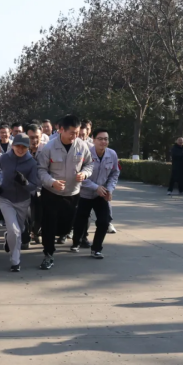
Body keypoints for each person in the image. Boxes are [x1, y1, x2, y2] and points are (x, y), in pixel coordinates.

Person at [37, 115, 94, 270]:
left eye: (77, 133)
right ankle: (48, 254)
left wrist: (84, 174)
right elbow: (41, 170)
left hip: (72, 194)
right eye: (72, 133)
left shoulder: (82, 146)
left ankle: (62, 234)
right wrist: (52, 182)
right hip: (51, 193)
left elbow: (89, 164)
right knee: (49, 225)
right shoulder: (49, 147)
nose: (75, 136)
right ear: (61, 129)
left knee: (65, 227)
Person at [0, 133, 39, 272]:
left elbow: (34, 185)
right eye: (18, 146)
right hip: (5, 198)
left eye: (24, 147)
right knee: (15, 230)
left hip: (23, 201)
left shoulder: (32, 163)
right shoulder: (4, 158)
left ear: (28, 148)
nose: (20, 149)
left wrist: (25, 183)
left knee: (20, 230)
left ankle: (9, 238)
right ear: (12, 145)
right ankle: (15, 261)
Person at [71, 128, 119, 258]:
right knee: (80, 221)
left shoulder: (112, 154)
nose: (103, 142)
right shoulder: (85, 153)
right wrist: (95, 187)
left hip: (101, 194)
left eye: (106, 139)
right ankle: (76, 242)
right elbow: (78, 175)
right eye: (100, 139)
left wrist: (109, 189)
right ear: (93, 139)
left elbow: (114, 173)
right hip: (84, 194)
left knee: (104, 221)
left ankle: (96, 249)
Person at [26, 124, 46, 244]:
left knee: (40, 213)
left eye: (36, 137)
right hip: (26, 188)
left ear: (41, 136)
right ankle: (27, 234)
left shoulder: (46, 149)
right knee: (27, 214)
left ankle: (35, 231)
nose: (34, 140)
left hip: (42, 187)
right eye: (31, 137)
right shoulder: (21, 149)